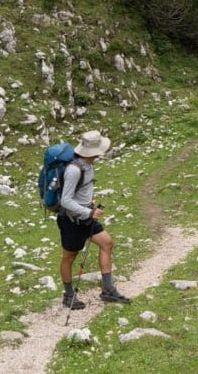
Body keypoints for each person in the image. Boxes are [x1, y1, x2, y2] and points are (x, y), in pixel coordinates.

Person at [57, 130, 131, 308]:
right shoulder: (74, 170)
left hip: (86, 216)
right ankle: (68, 296)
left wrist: (90, 203)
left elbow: (80, 191)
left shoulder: (88, 165)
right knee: (69, 257)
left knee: (107, 243)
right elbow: (65, 201)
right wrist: (88, 212)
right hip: (72, 221)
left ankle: (108, 290)